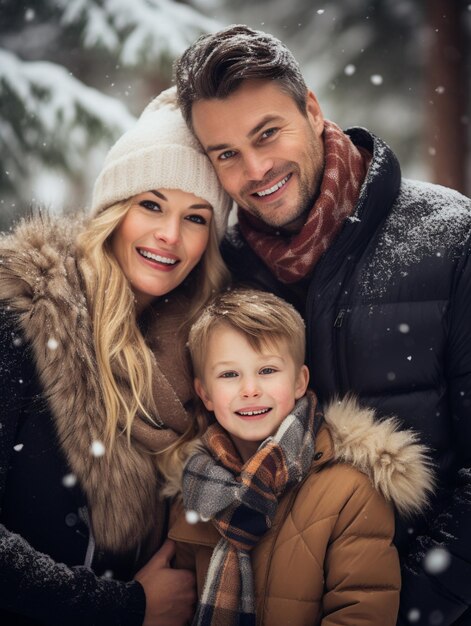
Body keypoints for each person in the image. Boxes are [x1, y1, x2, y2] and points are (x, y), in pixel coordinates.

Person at [174, 25, 471, 625]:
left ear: (312, 108)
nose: (256, 169)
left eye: (267, 133)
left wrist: (399, 609)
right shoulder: (227, 274)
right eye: (226, 154)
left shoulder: (452, 239)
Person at [0, 86, 232, 625]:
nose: (169, 235)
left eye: (196, 217)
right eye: (151, 204)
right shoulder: (23, 318)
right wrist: (123, 607)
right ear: (113, 211)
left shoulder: (202, 355)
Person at [164, 288, 433, 626]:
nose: (249, 389)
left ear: (299, 382)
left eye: (267, 370)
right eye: (229, 374)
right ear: (204, 392)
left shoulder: (350, 492)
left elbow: (361, 612)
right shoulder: (194, 490)